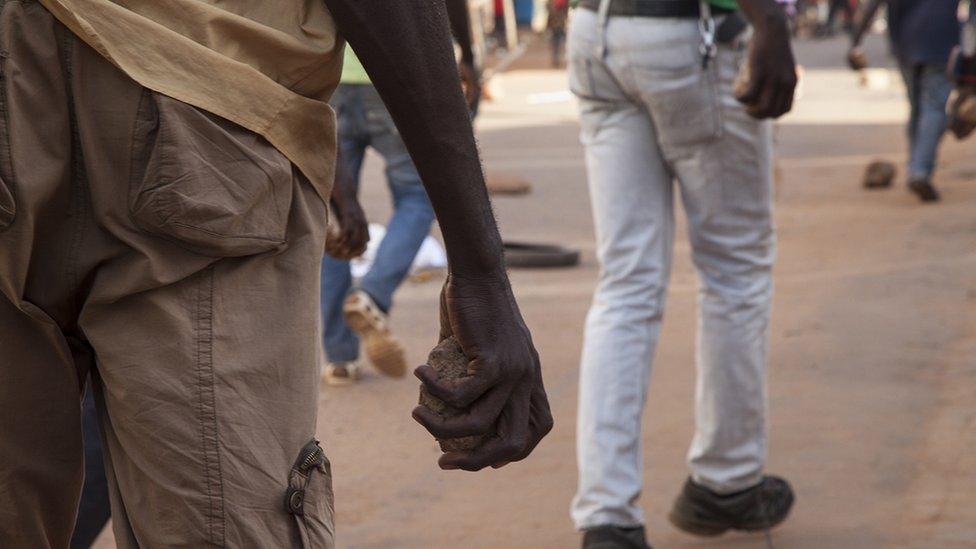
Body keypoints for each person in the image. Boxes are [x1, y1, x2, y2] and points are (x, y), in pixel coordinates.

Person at [0, 1, 552, 547]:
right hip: (200, 94)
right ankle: (363, 311)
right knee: (224, 519)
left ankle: (345, 344)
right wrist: (481, 271)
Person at [567, 0, 798, 547]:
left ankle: (607, 516)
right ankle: (727, 479)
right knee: (734, 271)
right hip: (689, 36)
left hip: (593, 34)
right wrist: (770, 20)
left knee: (626, 281)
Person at [320, 47, 436, 385]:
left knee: (337, 216)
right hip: (393, 76)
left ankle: (341, 359)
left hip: (332, 75)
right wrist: (469, 57)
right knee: (417, 195)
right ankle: (372, 294)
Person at [849, 0, 961, 202]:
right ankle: (920, 170)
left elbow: (871, 6)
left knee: (917, 107)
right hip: (941, 43)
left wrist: (855, 42)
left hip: (907, 43)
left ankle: (915, 165)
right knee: (934, 107)